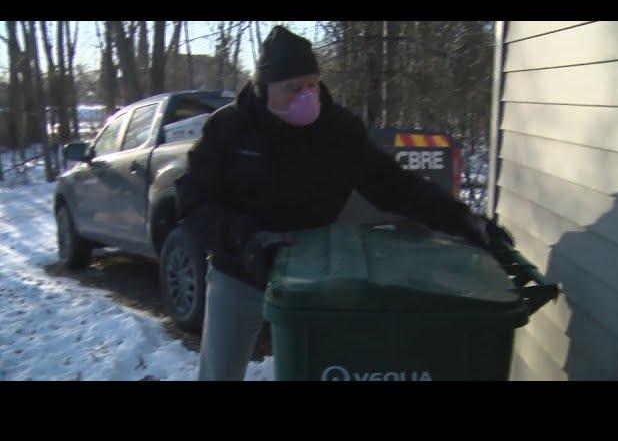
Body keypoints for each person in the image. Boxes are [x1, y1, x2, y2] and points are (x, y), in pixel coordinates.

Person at [175, 25, 500, 381]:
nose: (306, 96)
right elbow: (193, 200)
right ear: (263, 88)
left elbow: (397, 186)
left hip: (314, 280)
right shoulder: (229, 129)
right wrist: (244, 239)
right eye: (293, 88)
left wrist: (464, 220)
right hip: (239, 271)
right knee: (219, 373)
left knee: (320, 371)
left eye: (312, 84)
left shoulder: (338, 130)